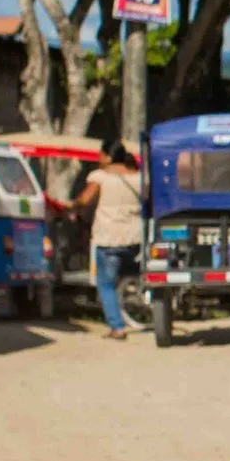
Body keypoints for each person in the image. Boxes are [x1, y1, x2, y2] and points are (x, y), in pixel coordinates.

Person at [73, 142, 146, 340]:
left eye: (100, 155)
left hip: (109, 239)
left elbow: (85, 200)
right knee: (136, 275)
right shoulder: (140, 179)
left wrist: (73, 205)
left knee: (105, 283)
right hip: (135, 237)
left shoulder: (100, 177)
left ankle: (117, 327)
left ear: (107, 157)